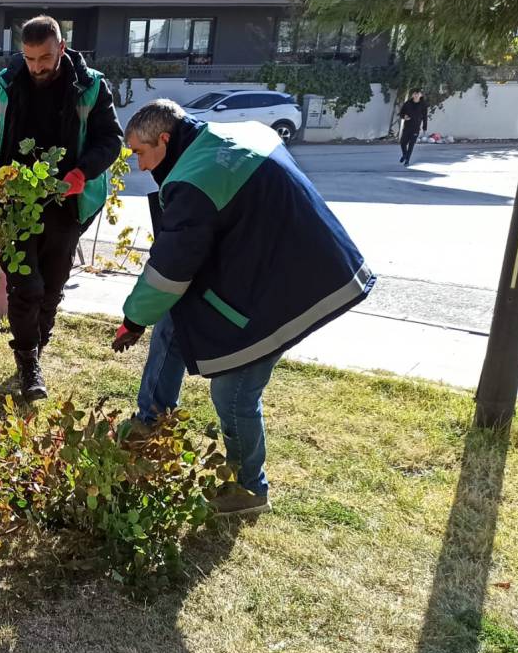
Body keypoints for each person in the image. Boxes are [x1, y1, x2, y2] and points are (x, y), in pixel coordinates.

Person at [111, 99, 373, 516]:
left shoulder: (194, 181)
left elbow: (171, 267)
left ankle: (250, 489)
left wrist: (133, 319)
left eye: (141, 154)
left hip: (288, 286)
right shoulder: (228, 137)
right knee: (176, 320)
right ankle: (151, 422)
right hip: (269, 262)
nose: (140, 167)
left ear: (164, 139)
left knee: (234, 393)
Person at [0, 15, 123, 402]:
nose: (37, 67)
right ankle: (28, 362)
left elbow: (111, 139)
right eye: (30, 58)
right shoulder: (5, 84)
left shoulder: (91, 86)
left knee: (52, 286)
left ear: (62, 49)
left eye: (45, 58)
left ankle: (38, 346)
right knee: (26, 286)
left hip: (66, 203)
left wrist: (82, 172)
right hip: (14, 202)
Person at [398, 89, 428, 165]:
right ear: (412, 95)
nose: (416, 95)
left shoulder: (423, 104)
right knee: (403, 143)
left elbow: (425, 117)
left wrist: (424, 128)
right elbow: (401, 113)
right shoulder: (407, 103)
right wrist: (404, 116)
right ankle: (405, 155)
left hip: (416, 128)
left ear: (421, 95)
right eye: (415, 93)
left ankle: (407, 161)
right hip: (407, 127)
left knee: (411, 144)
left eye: (418, 94)